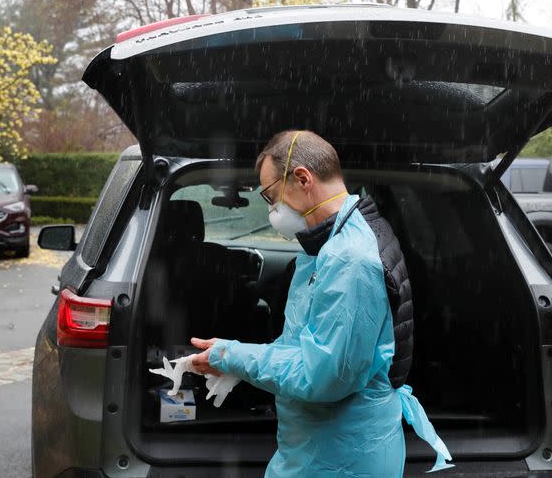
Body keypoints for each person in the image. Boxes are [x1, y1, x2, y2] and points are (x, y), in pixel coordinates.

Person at [191, 130, 453, 477]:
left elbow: (324, 377)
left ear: (302, 179)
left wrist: (233, 355)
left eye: (271, 197)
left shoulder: (351, 259)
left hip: (343, 457)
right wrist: (236, 365)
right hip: (324, 448)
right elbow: (306, 345)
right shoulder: (341, 239)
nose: (272, 210)